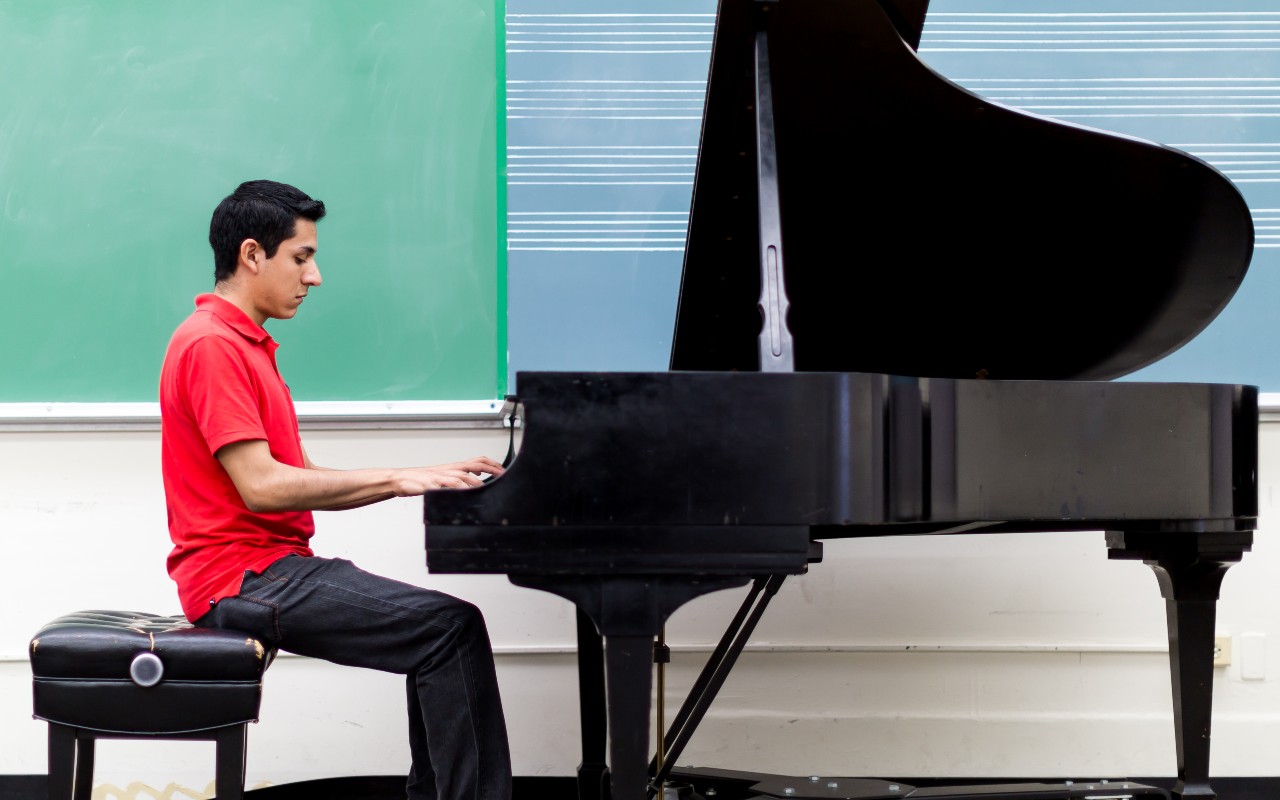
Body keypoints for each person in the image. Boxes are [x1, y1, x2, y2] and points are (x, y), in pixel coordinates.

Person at [158, 179, 511, 800]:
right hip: (245, 578)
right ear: (251, 255)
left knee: (444, 629)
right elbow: (264, 489)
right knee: (448, 630)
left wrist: (421, 471)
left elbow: (294, 476)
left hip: (265, 570)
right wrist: (401, 480)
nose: (314, 276)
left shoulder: (244, 344)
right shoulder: (213, 346)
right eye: (302, 257)